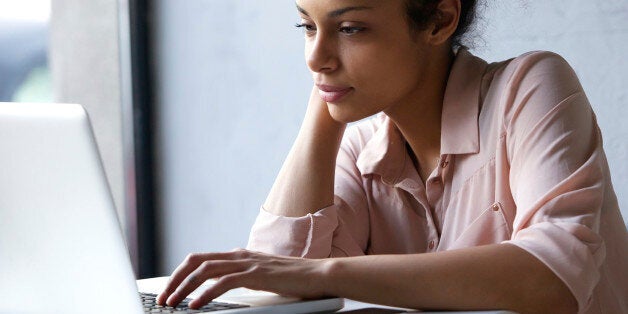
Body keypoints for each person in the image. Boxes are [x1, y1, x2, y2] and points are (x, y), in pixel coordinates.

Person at [157, 0, 628, 313]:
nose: (314, 56)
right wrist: (324, 108)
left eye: (349, 28)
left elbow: (554, 275)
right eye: (307, 26)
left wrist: (329, 273)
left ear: (440, 20)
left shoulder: (529, 86)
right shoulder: (361, 149)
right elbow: (278, 286)